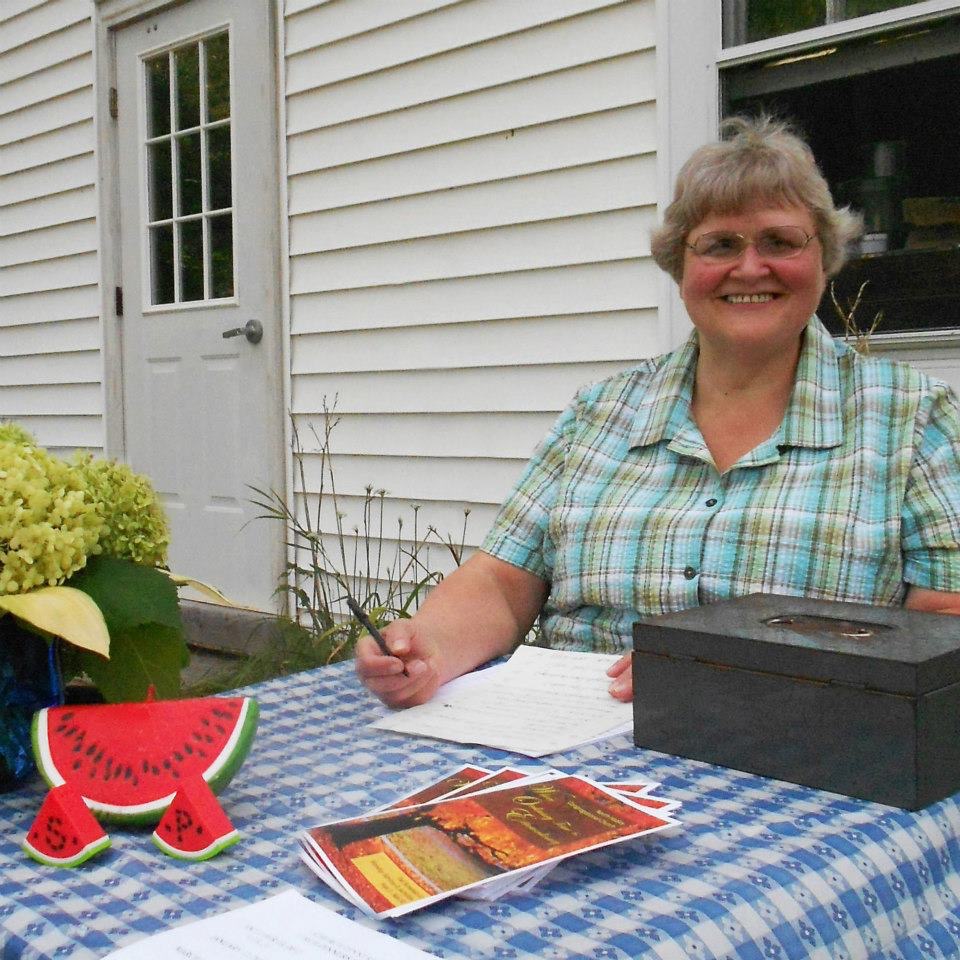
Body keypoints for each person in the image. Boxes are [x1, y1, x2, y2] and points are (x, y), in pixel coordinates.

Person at [356, 114, 960, 709]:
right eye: (720, 244)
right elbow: (501, 583)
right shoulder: (601, 414)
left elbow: (945, 627)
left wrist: (749, 666)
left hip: (791, 759)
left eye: (779, 241)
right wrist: (426, 647)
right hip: (566, 751)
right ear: (680, 265)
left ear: (824, 258)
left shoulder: (912, 420)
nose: (750, 268)